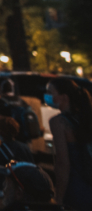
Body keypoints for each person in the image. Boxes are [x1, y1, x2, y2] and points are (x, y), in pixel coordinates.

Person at [46, 78, 92, 210]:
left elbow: (62, 162)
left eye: (50, 92)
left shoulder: (58, 122)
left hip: (76, 187)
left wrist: (58, 197)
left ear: (64, 97)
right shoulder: (86, 118)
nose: (47, 96)